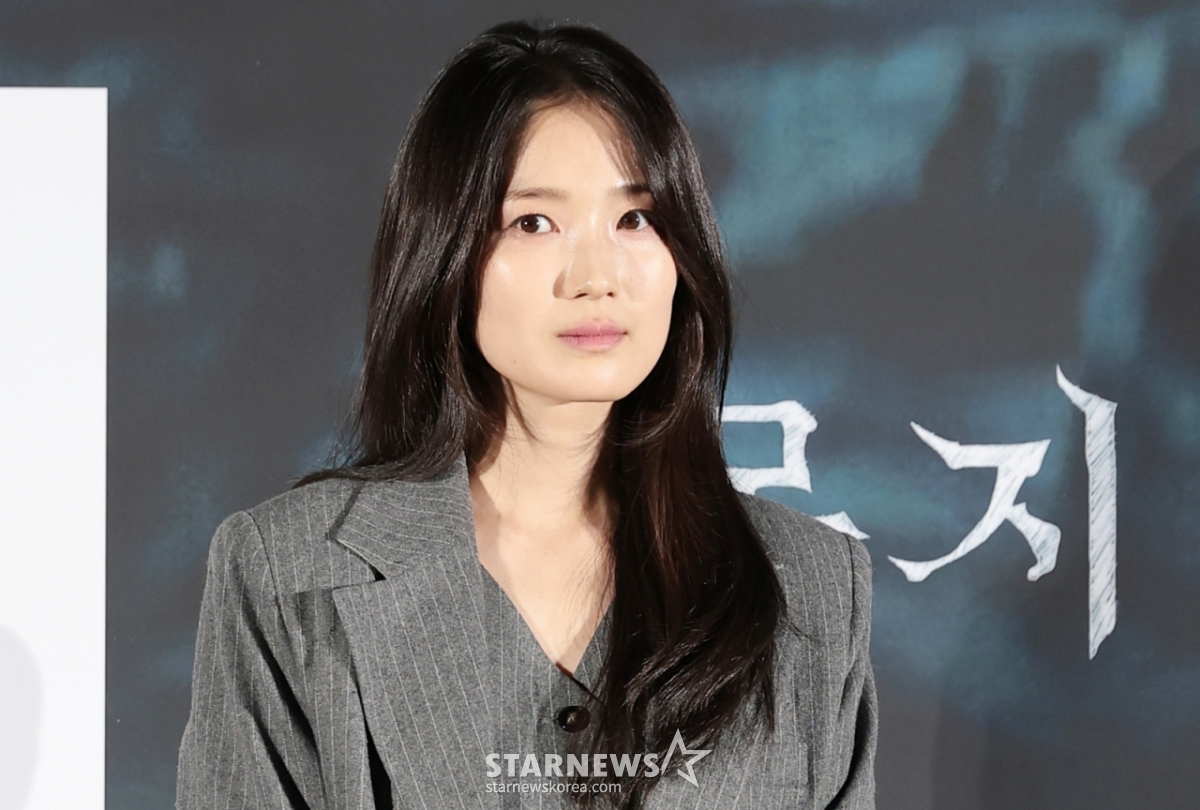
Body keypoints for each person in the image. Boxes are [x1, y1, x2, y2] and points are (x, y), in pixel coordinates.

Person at [176, 20, 876, 810]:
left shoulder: (813, 588)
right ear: (445, 252)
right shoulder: (288, 574)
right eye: (533, 223)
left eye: (636, 219)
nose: (597, 276)